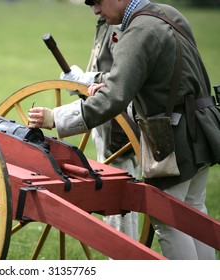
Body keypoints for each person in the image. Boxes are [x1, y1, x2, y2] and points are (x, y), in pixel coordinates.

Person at [28, 0, 220, 260]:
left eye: (96, 2)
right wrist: (105, 82)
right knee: (194, 214)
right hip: (203, 128)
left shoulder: (138, 32)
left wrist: (56, 118)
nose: (95, 10)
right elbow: (158, 72)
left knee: (169, 220)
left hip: (174, 138)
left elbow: (114, 99)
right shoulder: (167, 13)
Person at [60, 6, 139, 241]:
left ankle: (123, 256)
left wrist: (86, 79)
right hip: (105, 118)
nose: (94, 9)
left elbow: (120, 77)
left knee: (117, 187)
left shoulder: (122, 23)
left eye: (97, 2)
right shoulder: (108, 19)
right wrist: (84, 82)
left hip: (118, 122)